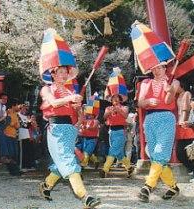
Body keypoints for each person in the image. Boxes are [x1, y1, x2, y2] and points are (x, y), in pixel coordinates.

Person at [38, 28, 101, 208]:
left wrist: (79, 109)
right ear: (53, 73)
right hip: (56, 129)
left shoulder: (69, 91)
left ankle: (46, 186)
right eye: (60, 72)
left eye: (65, 72)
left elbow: (78, 119)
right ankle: (84, 196)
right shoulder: (46, 89)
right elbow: (53, 103)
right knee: (68, 160)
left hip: (69, 130)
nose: (63, 74)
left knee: (61, 162)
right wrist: (69, 99)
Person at [137, 64, 180, 202]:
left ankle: (147, 187)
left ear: (165, 68)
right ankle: (173, 187)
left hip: (166, 118)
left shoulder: (174, 81)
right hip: (150, 118)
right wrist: (148, 101)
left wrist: (170, 90)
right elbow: (140, 102)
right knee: (154, 154)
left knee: (160, 151)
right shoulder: (145, 82)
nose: (156, 70)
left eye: (160, 67)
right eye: (154, 68)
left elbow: (168, 101)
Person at [100, 67, 134, 178]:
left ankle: (105, 169)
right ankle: (129, 167)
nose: (114, 100)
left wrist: (118, 109)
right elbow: (104, 118)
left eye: (116, 98)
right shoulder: (108, 108)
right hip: (111, 132)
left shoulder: (124, 107)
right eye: (112, 98)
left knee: (112, 150)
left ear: (119, 99)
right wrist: (110, 112)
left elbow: (125, 115)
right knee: (119, 154)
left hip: (120, 131)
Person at [78, 93, 100, 169]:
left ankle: (83, 165)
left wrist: (86, 127)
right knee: (87, 152)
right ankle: (96, 161)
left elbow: (93, 127)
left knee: (86, 152)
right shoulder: (84, 119)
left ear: (94, 115)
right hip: (84, 138)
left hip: (92, 139)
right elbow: (81, 116)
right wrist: (83, 108)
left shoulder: (96, 121)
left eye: (91, 114)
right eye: (89, 114)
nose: (90, 115)